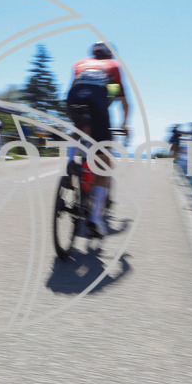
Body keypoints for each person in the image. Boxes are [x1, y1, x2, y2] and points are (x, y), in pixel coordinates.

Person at [65, 40, 130, 237]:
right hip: (96, 103)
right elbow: (118, 98)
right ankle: (94, 218)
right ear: (110, 54)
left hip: (73, 99)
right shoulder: (113, 66)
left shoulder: (81, 63)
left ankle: (70, 162)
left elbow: (80, 89)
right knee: (104, 165)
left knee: (80, 127)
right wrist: (125, 123)